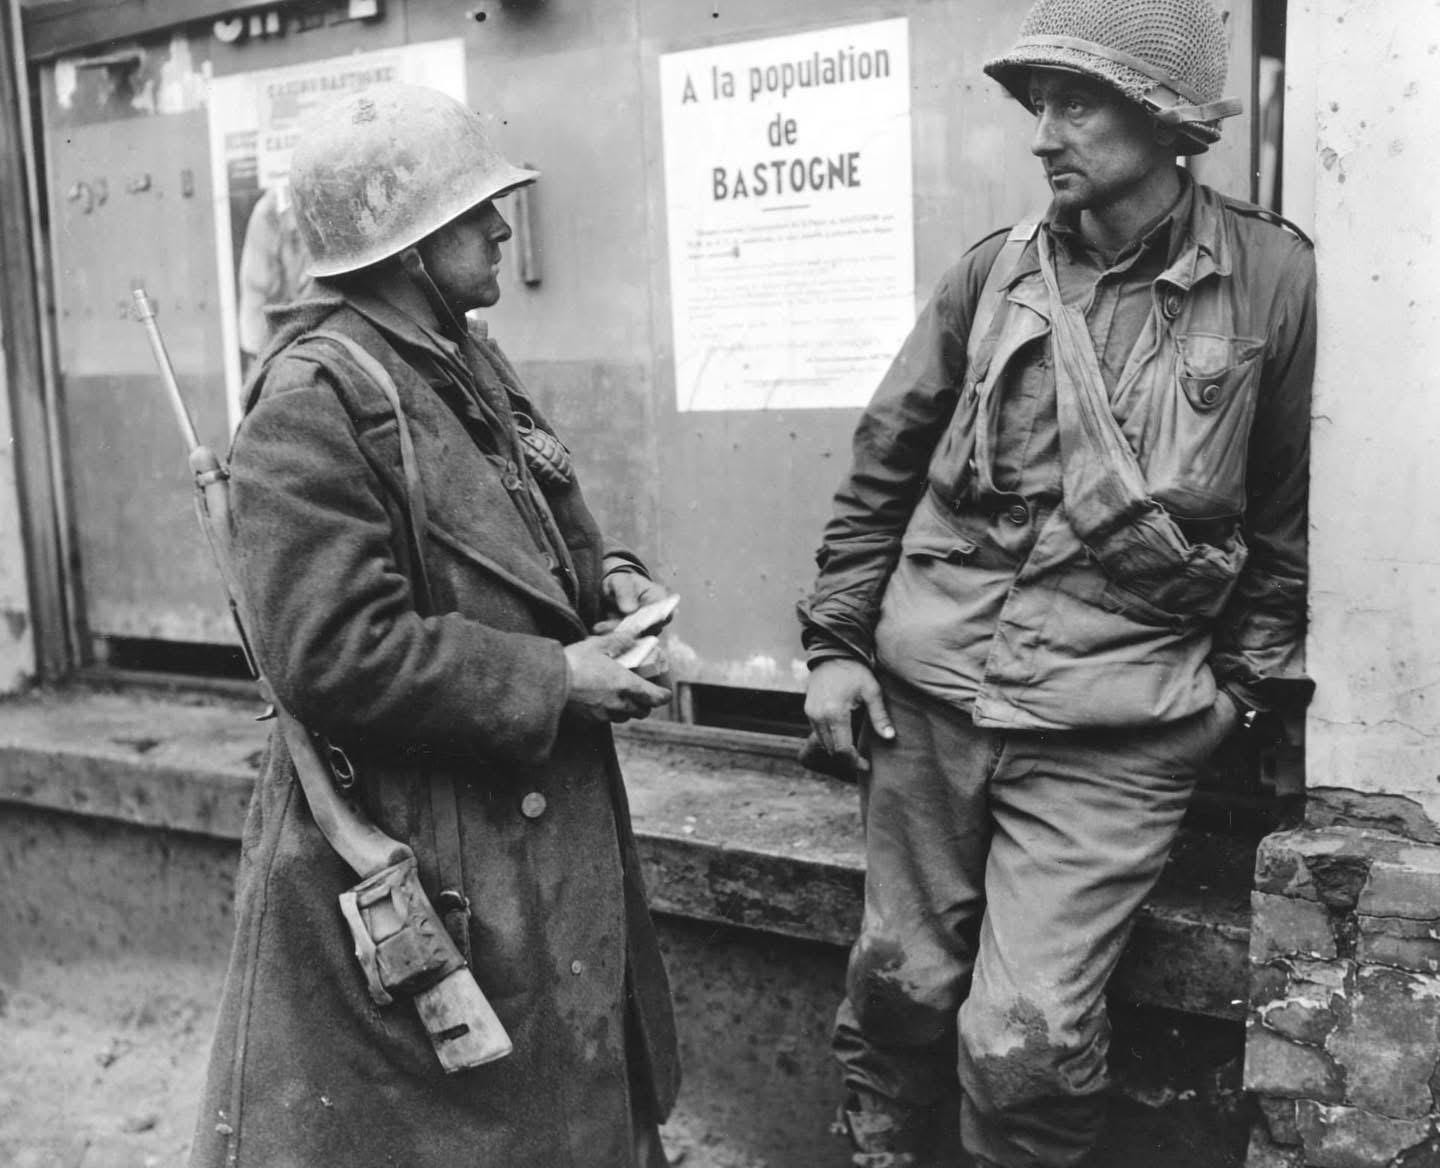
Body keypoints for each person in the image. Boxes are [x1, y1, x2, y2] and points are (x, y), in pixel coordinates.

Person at [798, 1, 1314, 1164]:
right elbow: (882, 469)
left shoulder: (1272, 279)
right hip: (929, 707)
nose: (1043, 133)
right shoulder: (992, 273)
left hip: (1114, 730)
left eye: (1075, 103)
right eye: (1040, 103)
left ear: (1163, 118)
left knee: (1022, 1044)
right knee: (895, 991)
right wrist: (835, 646)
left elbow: (1286, 520)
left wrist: (1235, 697)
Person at [189, 83, 679, 1168]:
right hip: (439, 847)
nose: (502, 227)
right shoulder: (313, 401)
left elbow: (536, 536)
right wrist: (557, 679)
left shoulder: (459, 357)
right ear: (409, 247)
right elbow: (332, 653)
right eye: (473, 212)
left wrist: (612, 584)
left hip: (525, 842)